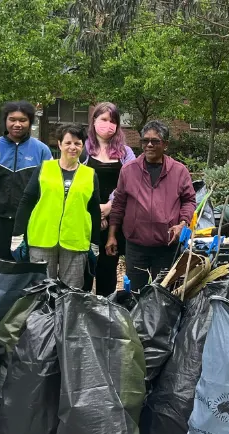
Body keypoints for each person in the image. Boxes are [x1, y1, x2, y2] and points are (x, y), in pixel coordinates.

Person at [107, 121, 196, 290]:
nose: (149, 145)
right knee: (135, 292)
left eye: (155, 141)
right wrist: (112, 235)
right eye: (145, 140)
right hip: (136, 246)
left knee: (163, 292)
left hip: (167, 246)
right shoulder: (128, 170)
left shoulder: (179, 171)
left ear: (165, 144)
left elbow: (189, 200)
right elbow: (118, 204)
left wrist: (183, 224)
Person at [13, 124, 101, 290]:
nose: (73, 147)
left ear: (83, 146)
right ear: (59, 144)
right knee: (42, 290)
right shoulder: (44, 169)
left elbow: (94, 210)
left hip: (76, 241)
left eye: (77, 143)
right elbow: (26, 202)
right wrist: (17, 235)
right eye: (68, 143)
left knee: (71, 292)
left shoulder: (90, 174)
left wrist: (95, 242)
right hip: (42, 238)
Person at [0, 101, 53, 260]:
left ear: (30, 122)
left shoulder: (42, 150)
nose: (17, 124)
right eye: (12, 119)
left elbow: (48, 187)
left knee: (25, 268)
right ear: (5, 121)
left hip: (28, 222)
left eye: (23, 120)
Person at [83, 102, 136, 295]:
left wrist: (109, 207)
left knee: (107, 270)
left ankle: (105, 308)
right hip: (84, 217)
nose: (108, 124)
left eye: (113, 121)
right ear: (94, 121)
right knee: (83, 270)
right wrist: (95, 211)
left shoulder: (126, 152)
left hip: (115, 220)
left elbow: (130, 182)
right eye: (104, 119)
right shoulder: (82, 148)